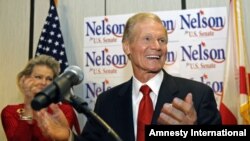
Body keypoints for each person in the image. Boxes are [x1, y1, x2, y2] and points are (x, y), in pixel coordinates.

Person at [34, 12, 221, 141]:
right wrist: (67, 136)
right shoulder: (106, 101)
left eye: (162, 40)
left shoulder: (198, 95)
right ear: (126, 47)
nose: (157, 46)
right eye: (147, 39)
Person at [1, 55, 80, 141]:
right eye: (38, 77)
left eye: (49, 79)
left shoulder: (65, 110)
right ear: (25, 79)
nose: (43, 82)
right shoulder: (10, 111)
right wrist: (28, 105)